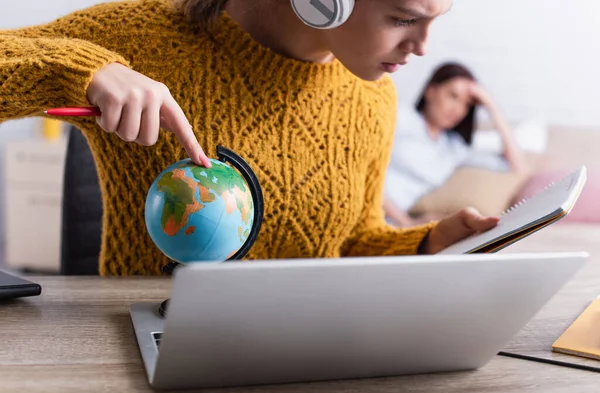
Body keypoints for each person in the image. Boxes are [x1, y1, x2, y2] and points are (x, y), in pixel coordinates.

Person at [0, 0, 499, 276]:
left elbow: (347, 244)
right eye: (404, 17)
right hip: (153, 354)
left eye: (436, 19)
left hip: (309, 362)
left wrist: (429, 243)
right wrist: (80, 71)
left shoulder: (375, 99)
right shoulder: (144, 37)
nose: (423, 46)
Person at [383, 62, 531, 227]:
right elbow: (363, 172)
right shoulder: (401, 117)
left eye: (467, 104)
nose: (458, 109)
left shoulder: (454, 148)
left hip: (391, 223)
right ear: (431, 91)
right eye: (453, 96)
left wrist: (491, 106)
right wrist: (406, 222)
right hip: (367, 209)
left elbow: (518, 169)